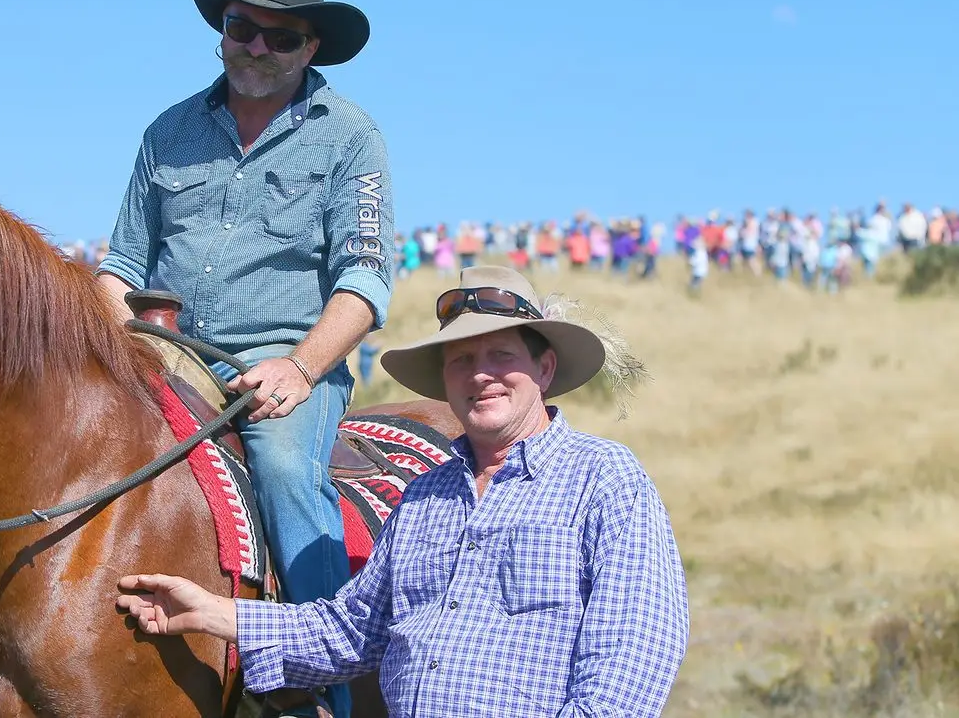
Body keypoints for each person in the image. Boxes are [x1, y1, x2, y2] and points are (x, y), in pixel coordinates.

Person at [117, 265, 690, 717]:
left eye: (501, 356)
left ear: (543, 368)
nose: (480, 374)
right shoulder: (422, 499)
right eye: (462, 359)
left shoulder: (605, 481)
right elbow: (349, 633)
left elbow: (627, 671)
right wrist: (216, 613)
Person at [96, 0, 393, 718]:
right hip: (162, 353)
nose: (256, 48)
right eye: (241, 28)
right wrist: (111, 336)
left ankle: (325, 686)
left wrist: (298, 368)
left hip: (283, 363)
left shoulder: (349, 138)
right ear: (221, 30)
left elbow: (363, 280)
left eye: (279, 38)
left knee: (287, 470)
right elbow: (122, 262)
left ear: (310, 48)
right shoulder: (168, 130)